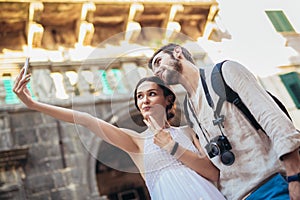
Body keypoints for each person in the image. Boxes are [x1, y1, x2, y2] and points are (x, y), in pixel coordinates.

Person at [13, 68, 226, 200]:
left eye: (152, 93)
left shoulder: (188, 132)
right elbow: (85, 119)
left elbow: (213, 173)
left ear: (168, 99)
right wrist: (33, 104)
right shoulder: (136, 141)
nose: (145, 100)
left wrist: (172, 147)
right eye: (140, 96)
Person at [148, 43, 300, 200]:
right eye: (154, 70)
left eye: (159, 61)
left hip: (272, 185)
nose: (157, 71)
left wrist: (295, 176)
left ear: (177, 52)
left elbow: (273, 119)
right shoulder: (188, 107)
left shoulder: (226, 71)